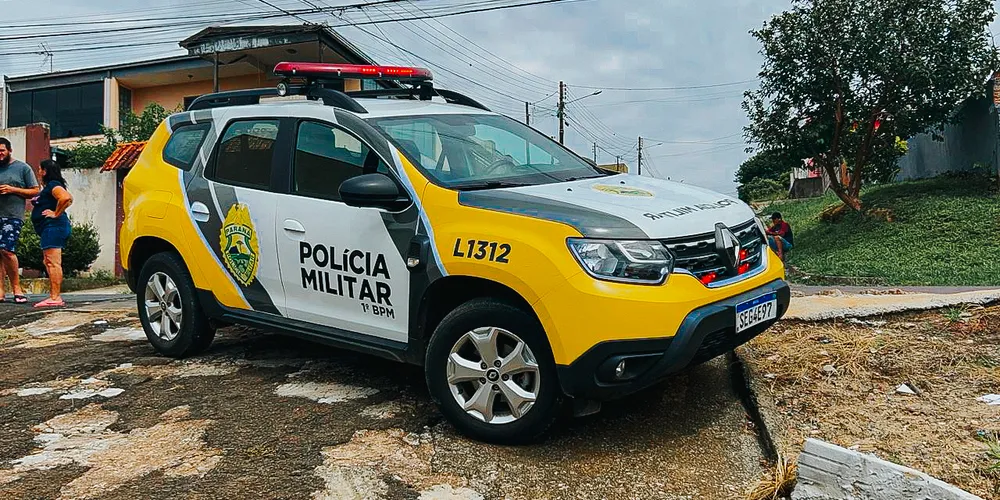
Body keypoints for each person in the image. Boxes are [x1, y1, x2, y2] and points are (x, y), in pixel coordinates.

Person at [0, 137, 40, 304]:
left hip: (12, 215)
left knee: (7, 250)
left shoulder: (22, 168)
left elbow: (35, 191)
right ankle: (0, 291)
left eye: (1, 150)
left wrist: (12, 189)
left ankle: (17, 287)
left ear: (9, 150)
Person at [30, 160, 73, 308]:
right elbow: (69, 199)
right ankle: (53, 296)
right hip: (50, 228)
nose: (38, 172)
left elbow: (66, 198)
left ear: (45, 171)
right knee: (48, 262)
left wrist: (56, 213)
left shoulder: (53, 185)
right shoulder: (50, 187)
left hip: (53, 227)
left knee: (53, 262)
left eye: (39, 169)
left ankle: (55, 297)